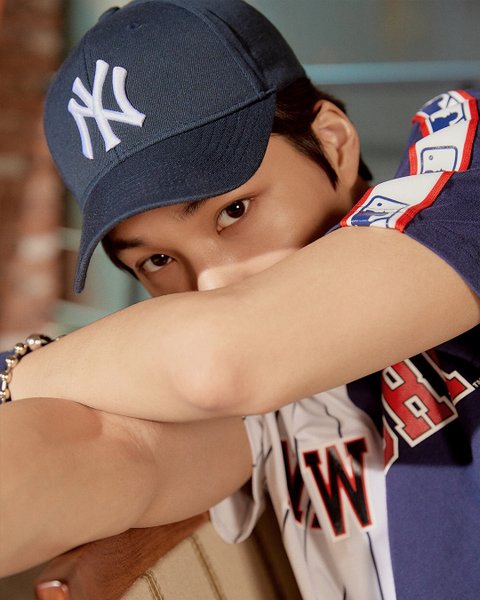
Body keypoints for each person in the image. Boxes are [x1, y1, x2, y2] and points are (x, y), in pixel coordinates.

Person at [1, 0, 479, 598]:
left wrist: (18, 370)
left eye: (234, 211)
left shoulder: (463, 179)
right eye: (157, 260)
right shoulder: (243, 391)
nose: (211, 286)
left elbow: (220, 358)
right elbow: (103, 453)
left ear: (332, 142)